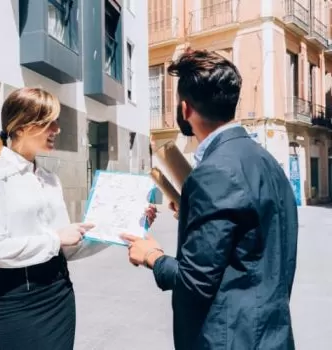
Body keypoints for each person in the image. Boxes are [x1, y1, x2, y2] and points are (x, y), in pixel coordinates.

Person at [121, 49, 298, 349]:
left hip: (230, 339)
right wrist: (191, 213)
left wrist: (151, 255)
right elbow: (250, 237)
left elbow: (194, 282)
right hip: (271, 333)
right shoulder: (265, 160)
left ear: (186, 109)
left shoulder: (214, 172)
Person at [0, 87, 106, 350]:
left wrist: (118, 229)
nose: (56, 129)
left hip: (59, 293)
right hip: (17, 299)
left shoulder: (49, 178)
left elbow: (66, 248)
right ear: (21, 126)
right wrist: (55, 239)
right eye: (49, 122)